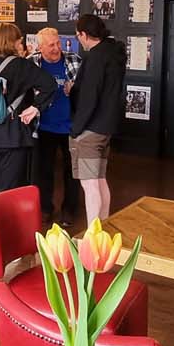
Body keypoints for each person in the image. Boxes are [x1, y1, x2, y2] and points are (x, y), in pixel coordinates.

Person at [0, 23, 55, 195]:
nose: (21, 43)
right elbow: (50, 85)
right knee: (8, 189)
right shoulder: (21, 65)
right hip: (12, 135)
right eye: (19, 40)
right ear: (13, 41)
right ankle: (2, 213)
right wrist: (35, 108)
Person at [68, 14, 123, 226]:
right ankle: (103, 228)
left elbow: (89, 97)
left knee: (89, 185)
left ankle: (93, 235)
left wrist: (76, 129)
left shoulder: (95, 57)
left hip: (90, 130)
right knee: (100, 180)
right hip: (106, 127)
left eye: (77, 35)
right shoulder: (113, 52)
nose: (78, 40)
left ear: (84, 34)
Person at [31, 27, 81, 225]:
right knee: (44, 172)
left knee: (72, 172)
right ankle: (45, 209)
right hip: (43, 126)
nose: (56, 48)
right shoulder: (32, 63)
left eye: (58, 43)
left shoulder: (74, 59)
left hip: (71, 126)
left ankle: (69, 210)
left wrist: (76, 89)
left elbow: (88, 90)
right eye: (51, 45)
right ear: (40, 47)